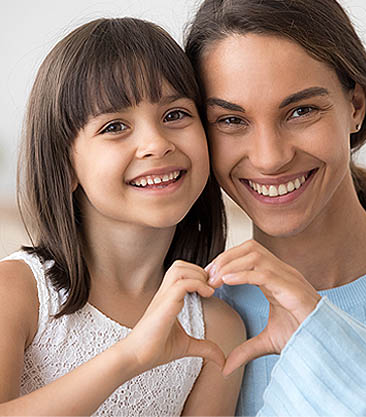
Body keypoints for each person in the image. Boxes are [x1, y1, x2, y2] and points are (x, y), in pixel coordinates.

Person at [0, 17, 245, 416]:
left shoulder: (218, 329)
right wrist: (130, 357)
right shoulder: (17, 292)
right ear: (65, 167)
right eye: (115, 126)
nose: (155, 144)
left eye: (175, 115)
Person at [185, 0, 366, 415]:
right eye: (231, 120)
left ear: (356, 107)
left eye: (301, 111)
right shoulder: (195, 323)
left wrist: (322, 332)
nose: (269, 157)